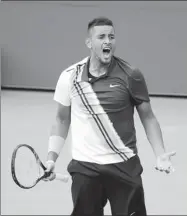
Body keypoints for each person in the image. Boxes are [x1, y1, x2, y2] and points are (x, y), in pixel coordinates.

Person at [44, 17, 176, 216]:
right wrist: (51, 158)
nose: (108, 41)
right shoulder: (69, 77)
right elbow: (62, 119)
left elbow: (148, 117)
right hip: (85, 166)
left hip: (124, 165)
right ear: (89, 43)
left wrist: (160, 154)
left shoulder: (131, 75)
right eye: (102, 37)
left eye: (112, 37)